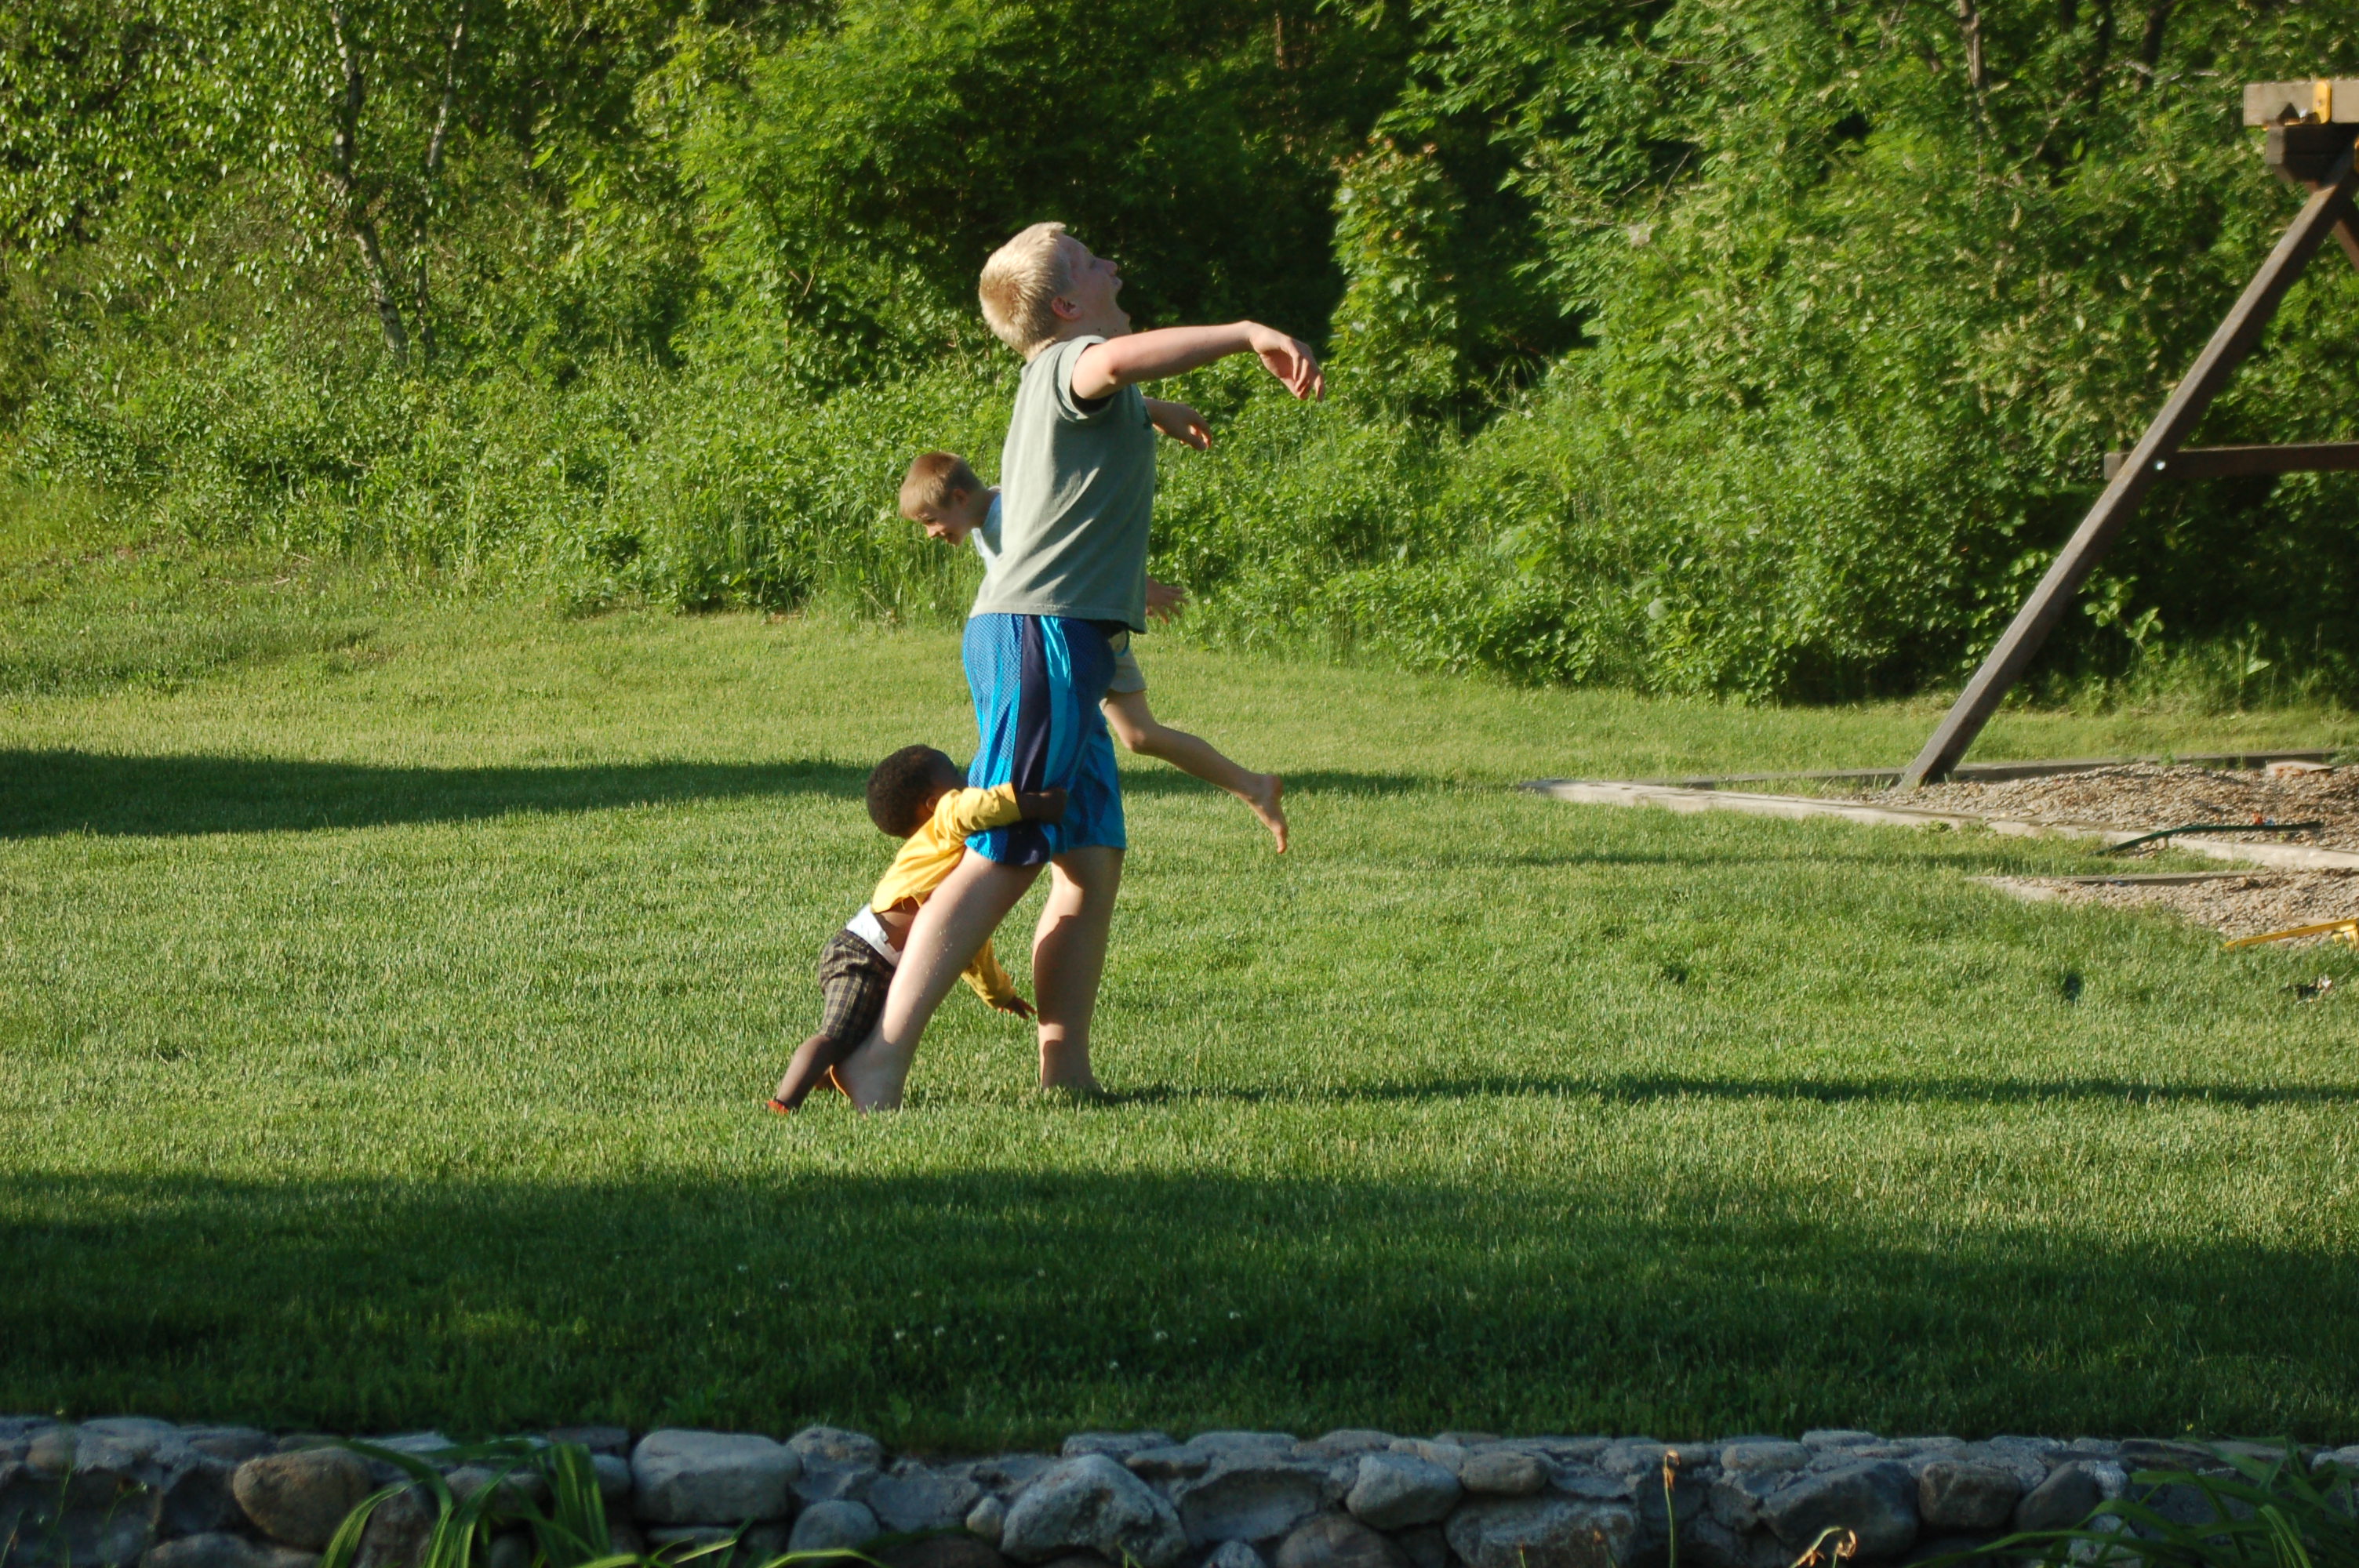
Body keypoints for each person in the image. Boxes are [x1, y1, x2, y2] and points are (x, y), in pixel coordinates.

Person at [831, 220, 1323, 1111]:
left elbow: (1110, 400)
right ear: (1064, 305)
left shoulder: (1077, 382)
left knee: (1087, 865)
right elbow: (1116, 364)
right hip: (1041, 637)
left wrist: (1155, 413)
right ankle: (878, 1061)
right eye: (1095, 263)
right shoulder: (1072, 361)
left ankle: (1067, 1074)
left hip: (1073, 645)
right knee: (1004, 850)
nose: (1115, 265)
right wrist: (1248, 332)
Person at [898, 448, 1288, 853]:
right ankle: (1254, 786)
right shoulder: (984, 519)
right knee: (1139, 735)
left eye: (930, 520)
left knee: (1059, 731)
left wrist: (1139, 585)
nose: (931, 533)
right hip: (1076, 632)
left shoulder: (1014, 514)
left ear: (960, 497)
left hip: (1082, 636)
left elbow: (1087, 537)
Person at [766, 745, 1067, 1113]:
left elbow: (969, 945)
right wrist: (1032, 805)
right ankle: (784, 1102)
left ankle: (829, 1076)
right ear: (932, 804)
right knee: (835, 1035)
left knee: (857, 1037)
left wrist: (999, 994)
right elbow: (968, 808)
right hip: (862, 956)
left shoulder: (946, 853)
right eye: (954, 776)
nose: (965, 782)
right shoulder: (944, 822)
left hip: (882, 961)